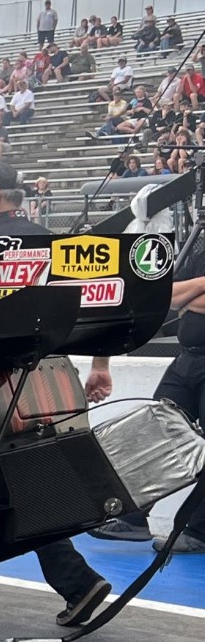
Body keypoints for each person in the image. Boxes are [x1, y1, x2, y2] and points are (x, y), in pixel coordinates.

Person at [0, 161, 113, 624]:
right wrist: (100, 365)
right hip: (52, 376)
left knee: (11, 472)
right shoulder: (56, 242)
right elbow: (102, 303)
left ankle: (77, 581)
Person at [91, 234, 205, 552]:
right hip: (187, 357)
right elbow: (165, 296)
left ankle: (199, 531)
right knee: (153, 431)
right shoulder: (202, 246)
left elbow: (179, 297)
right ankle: (134, 518)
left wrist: (187, 296)